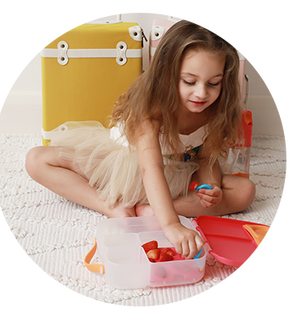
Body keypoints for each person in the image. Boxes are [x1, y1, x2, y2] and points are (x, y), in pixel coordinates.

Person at [26, 20, 256, 259]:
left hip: (177, 173)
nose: (201, 93)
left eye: (213, 83)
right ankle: (111, 207)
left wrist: (211, 187)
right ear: (167, 74)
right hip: (127, 166)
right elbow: (150, 167)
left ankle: (150, 210)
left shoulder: (215, 110)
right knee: (37, 160)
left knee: (245, 190)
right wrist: (172, 225)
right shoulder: (150, 108)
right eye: (189, 81)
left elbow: (206, 157)